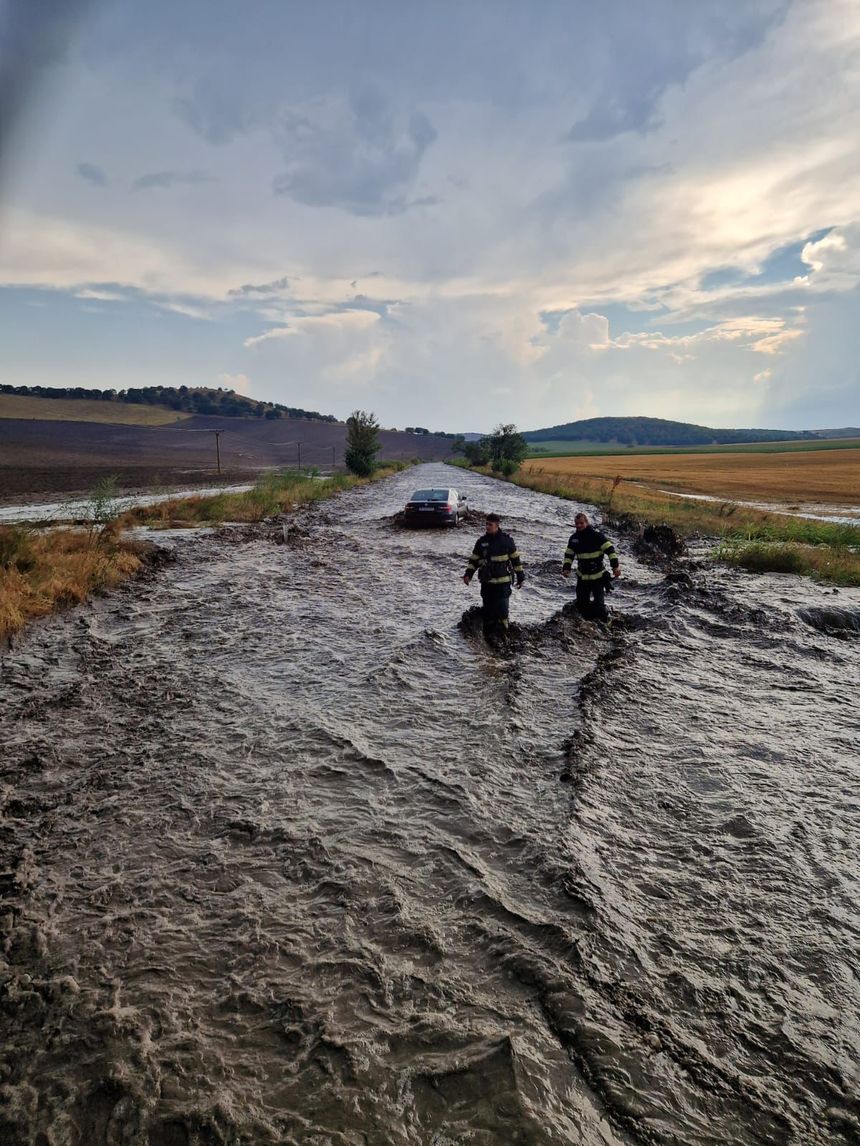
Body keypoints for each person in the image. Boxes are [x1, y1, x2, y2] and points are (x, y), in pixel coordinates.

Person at [463, 513, 525, 642]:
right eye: (486, 524)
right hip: (487, 584)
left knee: (502, 612)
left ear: (497, 525)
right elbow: (474, 560)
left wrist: (520, 577)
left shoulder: (506, 541)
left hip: (502, 585)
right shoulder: (481, 542)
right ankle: (488, 639)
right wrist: (468, 575)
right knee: (489, 612)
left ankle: (504, 637)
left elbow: (515, 560)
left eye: (490, 524)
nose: (487, 527)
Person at [562, 512, 620, 623]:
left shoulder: (597, 536)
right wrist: (566, 568)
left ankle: (606, 622)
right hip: (582, 578)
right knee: (582, 606)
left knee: (599, 606)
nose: (579, 525)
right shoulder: (574, 539)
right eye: (577, 523)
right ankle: (588, 627)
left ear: (587, 523)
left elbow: (610, 551)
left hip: (598, 578)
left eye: (581, 523)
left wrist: (615, 567)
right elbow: (569, 555)